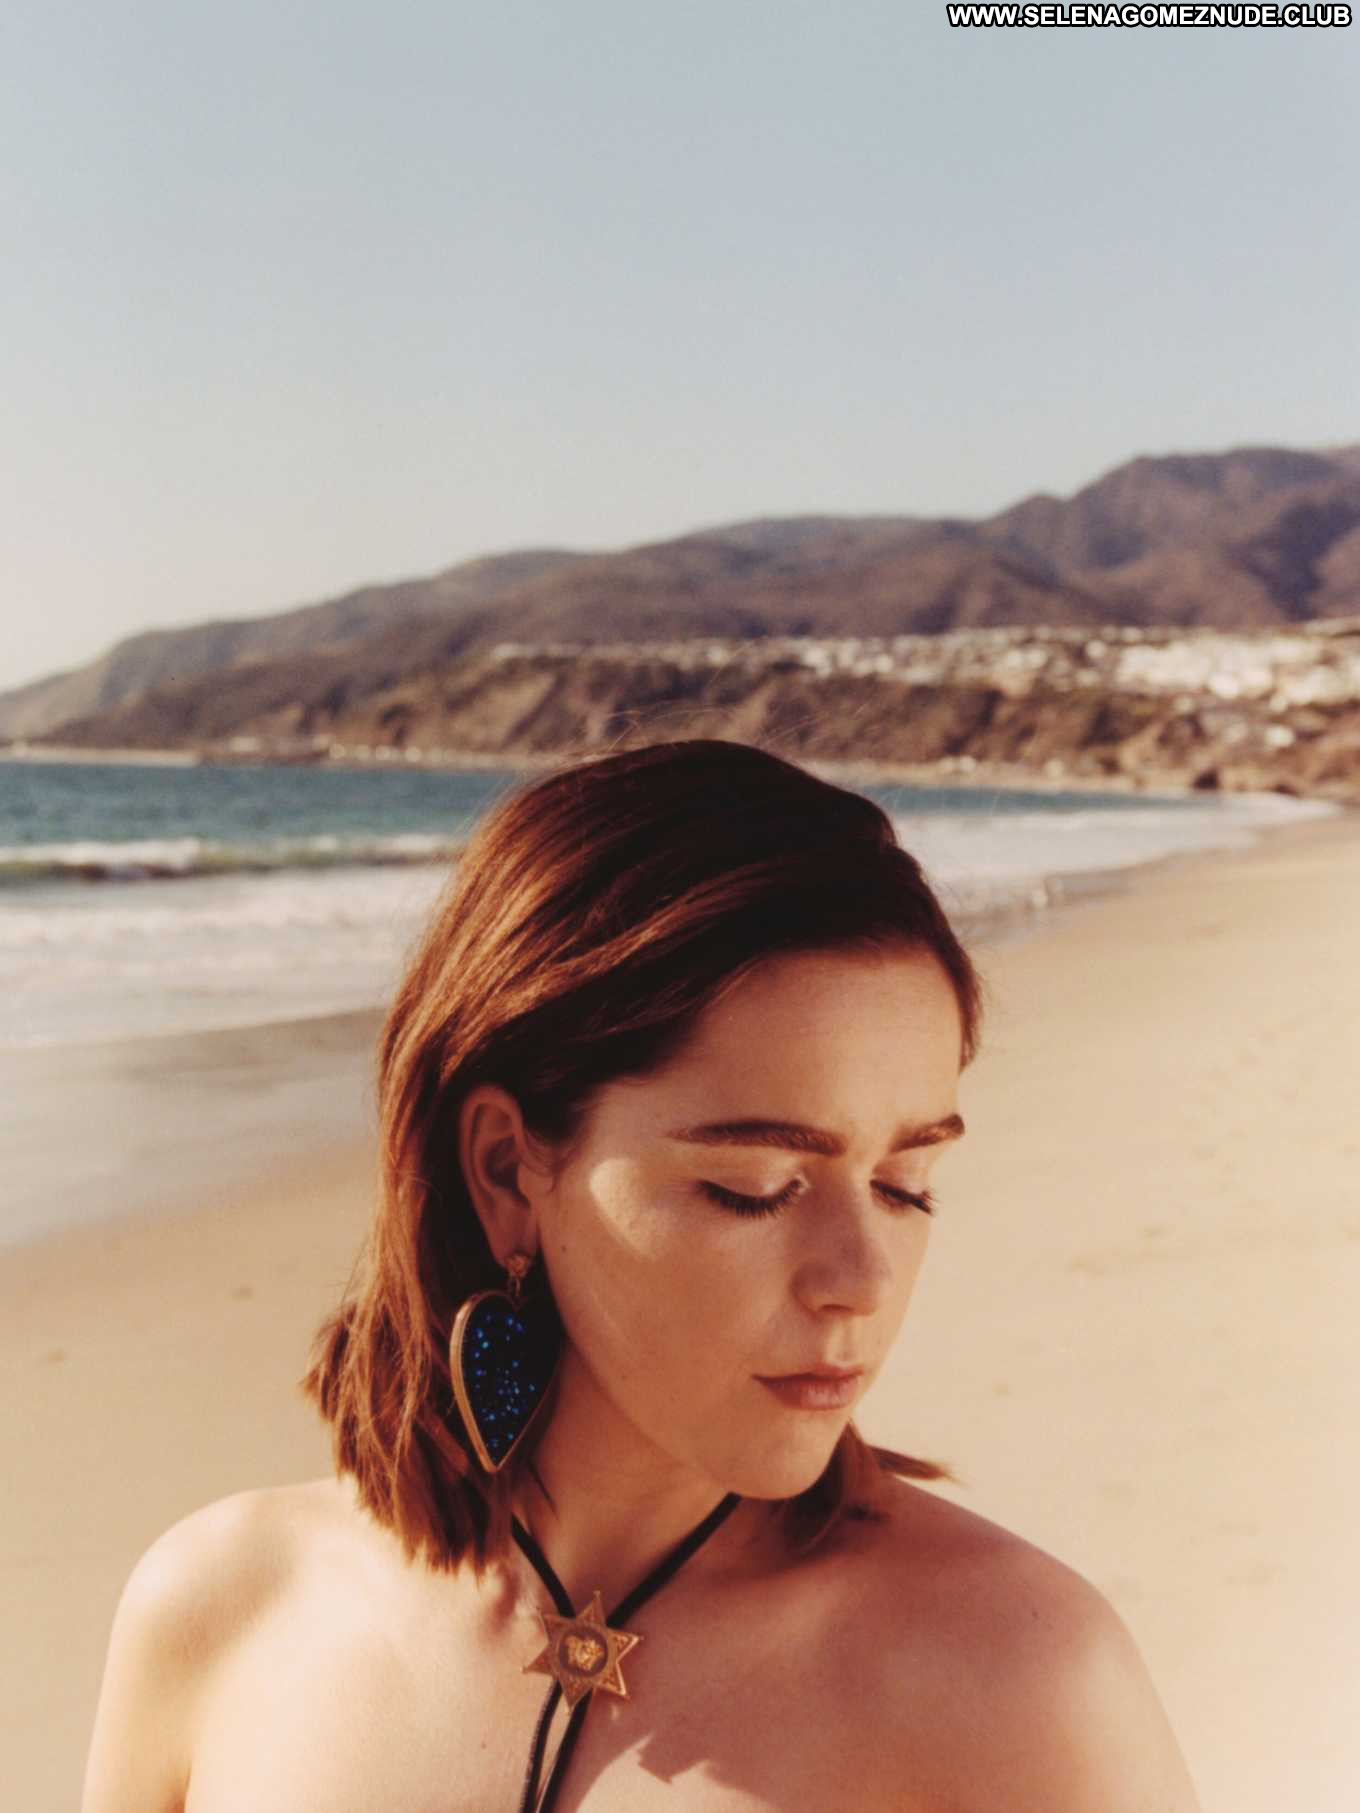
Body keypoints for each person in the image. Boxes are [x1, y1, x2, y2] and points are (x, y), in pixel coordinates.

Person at [82, 738, 1201, 1811]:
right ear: (507, 1169)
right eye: (757, 1185)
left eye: (907, 1184)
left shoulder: (1019, 1680)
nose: (862, 1280)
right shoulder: (221, 1607)